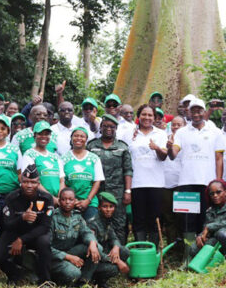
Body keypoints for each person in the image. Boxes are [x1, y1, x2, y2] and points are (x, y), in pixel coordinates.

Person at [0, 165, 54, 284]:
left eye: (33, 182)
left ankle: (45, 280)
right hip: (14, 231)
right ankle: (15, 274)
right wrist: (22, 217)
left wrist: (21, 240)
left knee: (44, 242)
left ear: (38, 183)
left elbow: (45, 227)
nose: (29, 185)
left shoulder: (46, 198)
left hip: (36, 233)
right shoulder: (12, 197)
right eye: (26, 182)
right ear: (21, 181)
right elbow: (7, 224)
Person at [168, 98, 220, 236]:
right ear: (189, 113)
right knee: (187, 220)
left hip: (207, 182)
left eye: (199, 111)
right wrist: (169, 147)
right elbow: (173, 155)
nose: (196, 114)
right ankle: (188, 252)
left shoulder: (214, 131)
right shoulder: (181, 132)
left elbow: (219, 158)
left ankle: (202, 251)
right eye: (193, 111)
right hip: (186, 182)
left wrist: (218, 181)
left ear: (204, 112)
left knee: (205, 218)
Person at [50, 188, 118, 287]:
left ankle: (83, 281)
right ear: (59, 201)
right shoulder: (52, 218)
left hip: (71, 252)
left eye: (70, 199)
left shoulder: (77, 216)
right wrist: (69, 257)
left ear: (75, 201)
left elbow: (86, 232)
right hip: (55, 258)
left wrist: (92, 243)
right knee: (74, 273)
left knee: (98, 250)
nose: (67, 202)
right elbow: (45, 248)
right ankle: (60, 282)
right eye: (64, 199)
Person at [87, 114, 133, 244]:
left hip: (117, 192)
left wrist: (128, 191)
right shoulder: (91, 146)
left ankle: (120, 253)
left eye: (112, 127)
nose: (108, 129)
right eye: (105, 126)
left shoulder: (122, 147)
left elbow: (128, 170)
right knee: (95, 222)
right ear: (100, 128)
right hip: (96, 192)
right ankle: (99, 253)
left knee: (119, 224)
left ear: (116, 128)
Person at [127, 105, 168, 245]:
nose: (147, 117)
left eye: (150, 115)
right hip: (137, 183)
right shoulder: (131, 134)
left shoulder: (161, 134)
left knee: (155, 218)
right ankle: (141, 250)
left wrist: (157, 148)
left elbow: (164, 157)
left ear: (154, 117)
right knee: (139, 219)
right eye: (144, 114)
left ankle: (154, 251)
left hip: (156, 183)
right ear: (138, 116)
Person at [61, 126, 105, 221]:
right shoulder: (64, 158)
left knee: (91, 231)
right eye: (76, 136)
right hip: (69, 203)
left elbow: (97, 182)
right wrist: (72, 201)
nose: (79, 138)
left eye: (82, 136)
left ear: (86, 139)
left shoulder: (94, 158)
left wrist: (87, 200)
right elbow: (62, 181)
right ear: (71, 138)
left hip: (90, 202)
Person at [87, 191, 130, 281]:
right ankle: (96, 281)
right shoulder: (93, 223)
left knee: (124, 251)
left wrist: (116, 247)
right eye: (105, 206)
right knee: (113, 268)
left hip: (103, 255)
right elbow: (95, 251)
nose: (108, 210)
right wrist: (118, 261)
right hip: (93, 260)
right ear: (99, 207)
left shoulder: (107, 220)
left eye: (111, 207)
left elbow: (114, 238)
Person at [20, 121, 65, 200]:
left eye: (46, 134)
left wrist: (60, 198)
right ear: (34, 136)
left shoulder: (55, 157)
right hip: (39, 199)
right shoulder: (29, 154)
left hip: (57, 200)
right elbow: (31, 180)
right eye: (40, 134)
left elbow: (62, 180)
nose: (44, 136)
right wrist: (51, 198)